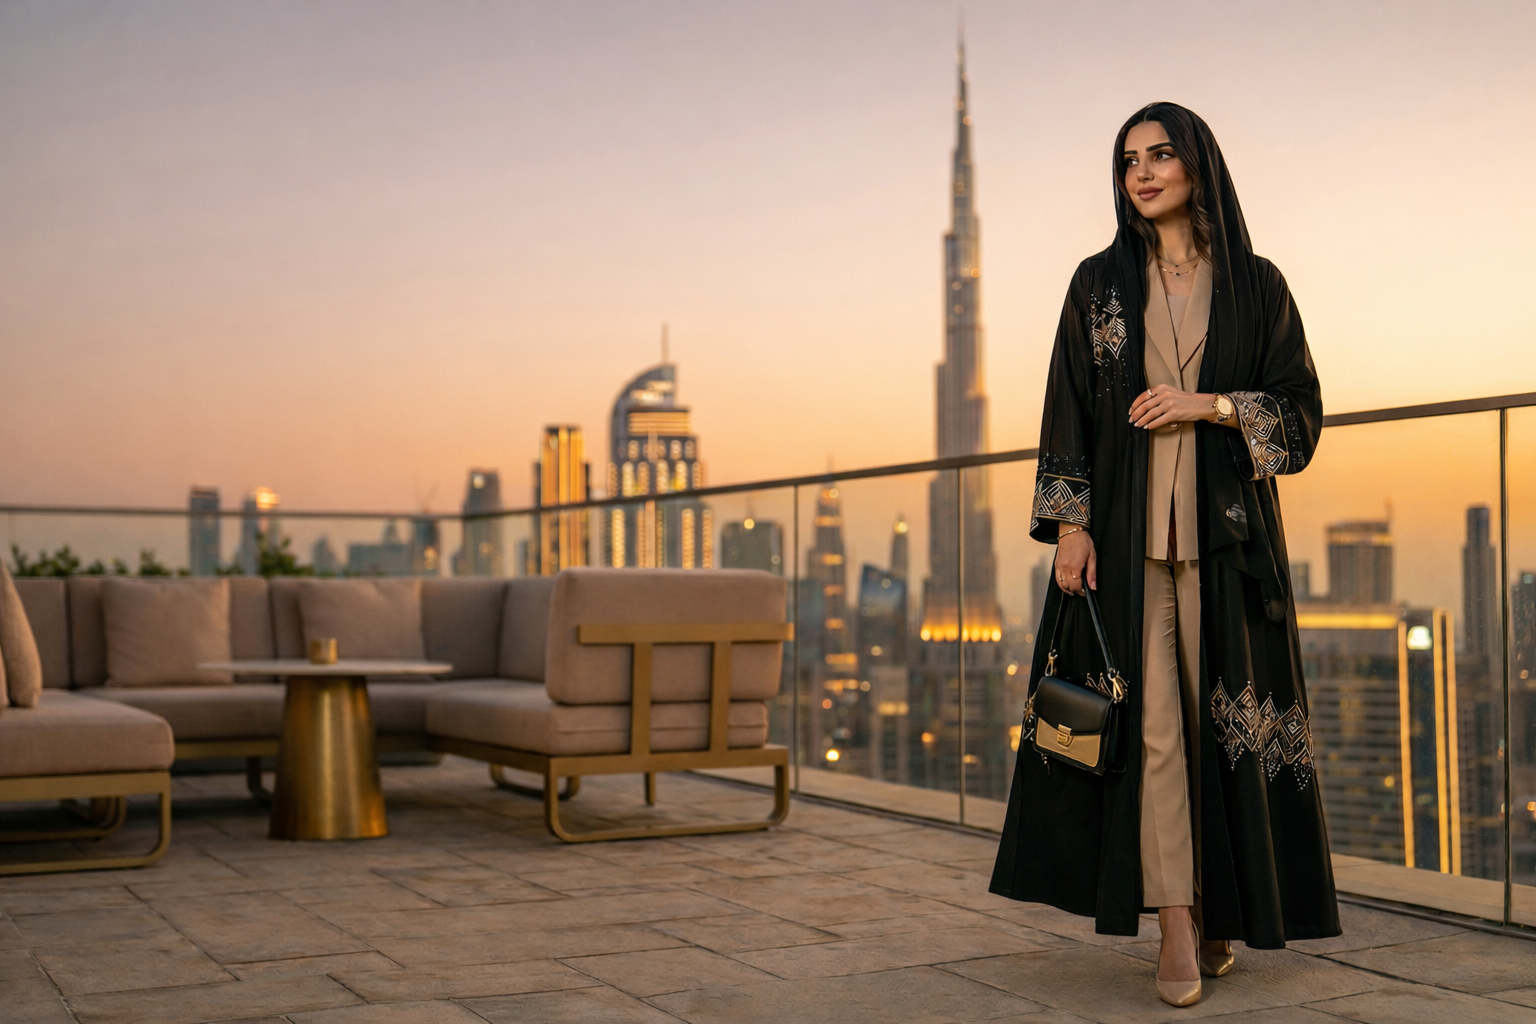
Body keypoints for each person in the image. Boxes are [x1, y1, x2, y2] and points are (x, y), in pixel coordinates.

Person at [989, 102, 1339, 1007]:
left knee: (1217, 729)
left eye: (1160, 156)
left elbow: (1299, 416)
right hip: (1123, 546)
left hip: (1229, 547)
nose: (1142, 173)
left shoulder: (1258, 286)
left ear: (1197, 166)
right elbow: (1066, 401)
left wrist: (1210, 405)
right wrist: (1069, 525)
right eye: (1128, 160)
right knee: (1149, 732)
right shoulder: (1097, 283)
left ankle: (1222, 910)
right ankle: (1176, 922)